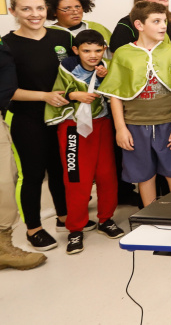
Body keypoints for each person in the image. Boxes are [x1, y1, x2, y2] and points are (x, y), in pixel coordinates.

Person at [98, 1, 171, 208]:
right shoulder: (123, 54)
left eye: (164, 21)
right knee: (144, 175)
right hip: (135, 126)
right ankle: (150, 215)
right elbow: (115, 95)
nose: (162, 26)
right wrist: (120, 128)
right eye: (156, 21)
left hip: (168, 124)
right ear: (139, 25)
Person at [45, 30, 124, 255]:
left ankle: (106, 219)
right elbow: (56, 95)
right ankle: (75, 229)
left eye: (98, 50)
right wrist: (73, 96)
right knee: (77, 179)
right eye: (87, 50)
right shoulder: (67, 68)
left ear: (104, 50)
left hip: (102, 125)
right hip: (73, 128)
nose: (93, 55)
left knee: (107, 174)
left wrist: (104, 77)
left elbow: (116, 93)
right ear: (76, 50)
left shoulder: (107, 67)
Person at [4, 0, 72, 250]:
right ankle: (33, 229)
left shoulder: (61, 37)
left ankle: (64, 218)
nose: (35, 14)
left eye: (40, 8)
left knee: (59, 170)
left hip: (61, 117)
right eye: (26, 9)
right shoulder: (7, 45)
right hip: (27, 119)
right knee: (32, 175)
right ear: (13, 12)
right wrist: (44, 96)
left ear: (48, 10)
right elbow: (7, 91)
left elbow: (73, 71)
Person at [0, 34, 48, 269]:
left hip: (7, 113)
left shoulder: (2, 45)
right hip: (24, 115)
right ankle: (25, 233)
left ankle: (3, 247)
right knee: (21, 176)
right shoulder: (10, 42)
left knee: (5, 181)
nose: (35, 14)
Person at [42, 0, 112, 43]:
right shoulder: (47, 33)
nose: (75, 12)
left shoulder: (97, 27)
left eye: (77, 7)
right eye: (67, 8)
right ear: (53, 11)